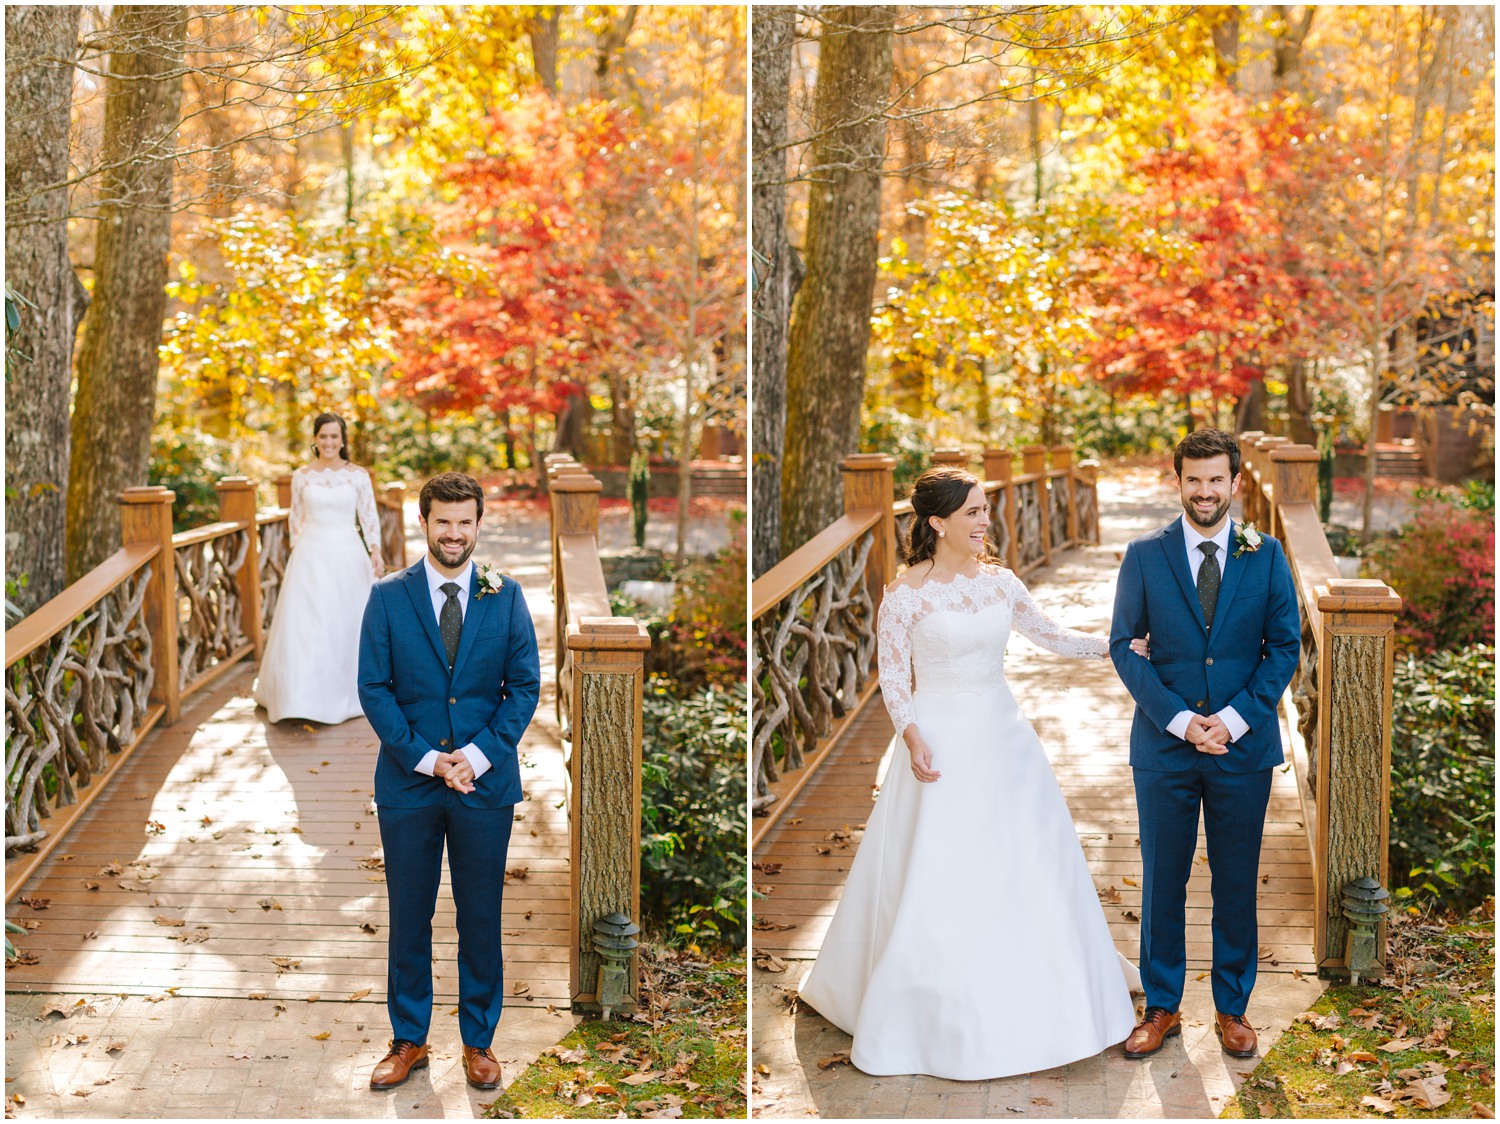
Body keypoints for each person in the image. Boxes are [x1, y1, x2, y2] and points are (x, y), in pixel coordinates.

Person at [797, 466, 1141, 1080]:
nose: (986, 522)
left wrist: (1118, 646)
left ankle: (1044, 992)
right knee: (941, 867)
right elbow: (895, 678)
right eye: (973, 513)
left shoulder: (1002, 584)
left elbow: (1051, 636)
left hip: (1004, 739)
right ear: (937, 524)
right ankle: (928, 1005)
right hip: (940, 742)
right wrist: (911, 733)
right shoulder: (904, 596)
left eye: (986, 510)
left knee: (1026, 861)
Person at [1109, 428, 1299, 1061]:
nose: (1205, 490)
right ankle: (1161, 1006)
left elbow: (1285, 648)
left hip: (1241, 748)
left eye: (1217, 479)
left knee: (1236, 880)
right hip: (1164, 748)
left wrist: (1236, 718)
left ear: (1236, 483)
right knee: (1163, 878)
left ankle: (1232, 1007)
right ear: (1178, 483)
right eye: (1194, 479)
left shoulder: (1266, 553)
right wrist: (1179, 720)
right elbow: (1121, 645)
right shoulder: (1143, 555)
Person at [357, 471, 540, 1091]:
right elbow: (373, 688)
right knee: (409, 914)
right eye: (443, 522)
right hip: (409, 784)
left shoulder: (505, 594)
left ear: (479, 525)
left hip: (483, 785)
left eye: (466, 522)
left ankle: (479, 1040)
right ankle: (408, 1039)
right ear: (424, 523)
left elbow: (525, 687)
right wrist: (427, 759)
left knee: (480, 915)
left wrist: (478, 755)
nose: (454, 533)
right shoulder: (388, 595)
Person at [254, 412, 384, 724]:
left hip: (348, 554)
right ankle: (298, 697)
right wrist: (298, 552)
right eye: (323, 436)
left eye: (334, 436)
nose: (328, 442)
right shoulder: (301, 476)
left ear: (342, 440)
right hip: (310, 556)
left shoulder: (357, 475)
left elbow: (369, 516)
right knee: (307, 625)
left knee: (347, 621)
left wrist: (375, 551)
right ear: (315, 439)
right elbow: (295, 520)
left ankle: (351, 692)